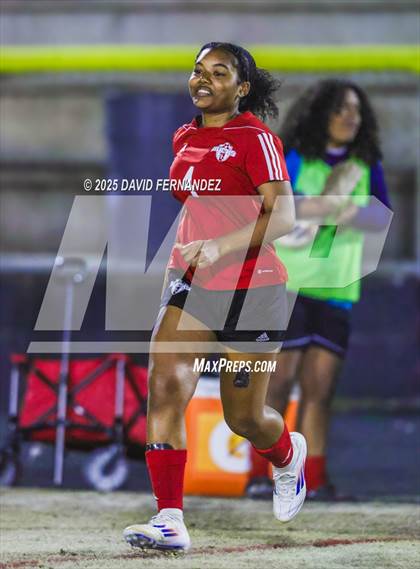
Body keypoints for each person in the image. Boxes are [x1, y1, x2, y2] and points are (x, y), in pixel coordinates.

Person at [123, 42, 306, 553]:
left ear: (242, 87)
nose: (202, 79)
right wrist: (186, 261)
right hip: (192, 280)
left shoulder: (256, 139)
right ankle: (169, 519)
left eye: (218, 73)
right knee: (164, 384)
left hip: (254, 287)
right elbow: (198, 207)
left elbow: (284, 216)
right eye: (198, 70)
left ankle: (286, 455)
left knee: (243, 418)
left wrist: (221, 246)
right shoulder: (184, 136)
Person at [246, 79, 392, 501]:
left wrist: (352, 212)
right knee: (276, 386)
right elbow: (272, 206)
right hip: (287, 287)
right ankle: (261, 476)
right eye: (341, 109)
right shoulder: (294, 156)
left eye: (356, 110)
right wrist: (325, 206)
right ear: (321, 113)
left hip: (336, 292)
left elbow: (381, 217)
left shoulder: (366, 165)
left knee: (319, 390)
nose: (350, 117)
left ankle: (313, 480)